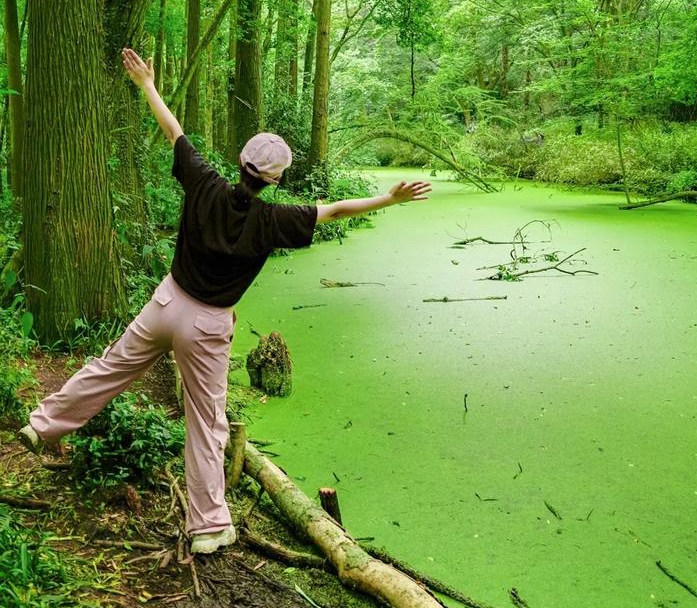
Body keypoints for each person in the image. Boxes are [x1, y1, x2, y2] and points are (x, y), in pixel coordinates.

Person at [19, 48, 431, 554]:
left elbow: (175, 131)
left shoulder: (204, 183)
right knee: (206, 422)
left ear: (240, 162)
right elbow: (336, 209)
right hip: (208, 327)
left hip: (165, 305)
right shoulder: (272, 221)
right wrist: (390, 199)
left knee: (110, 368)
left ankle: (43, 425)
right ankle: (209, 526)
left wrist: (147, 83)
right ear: (274, 179)